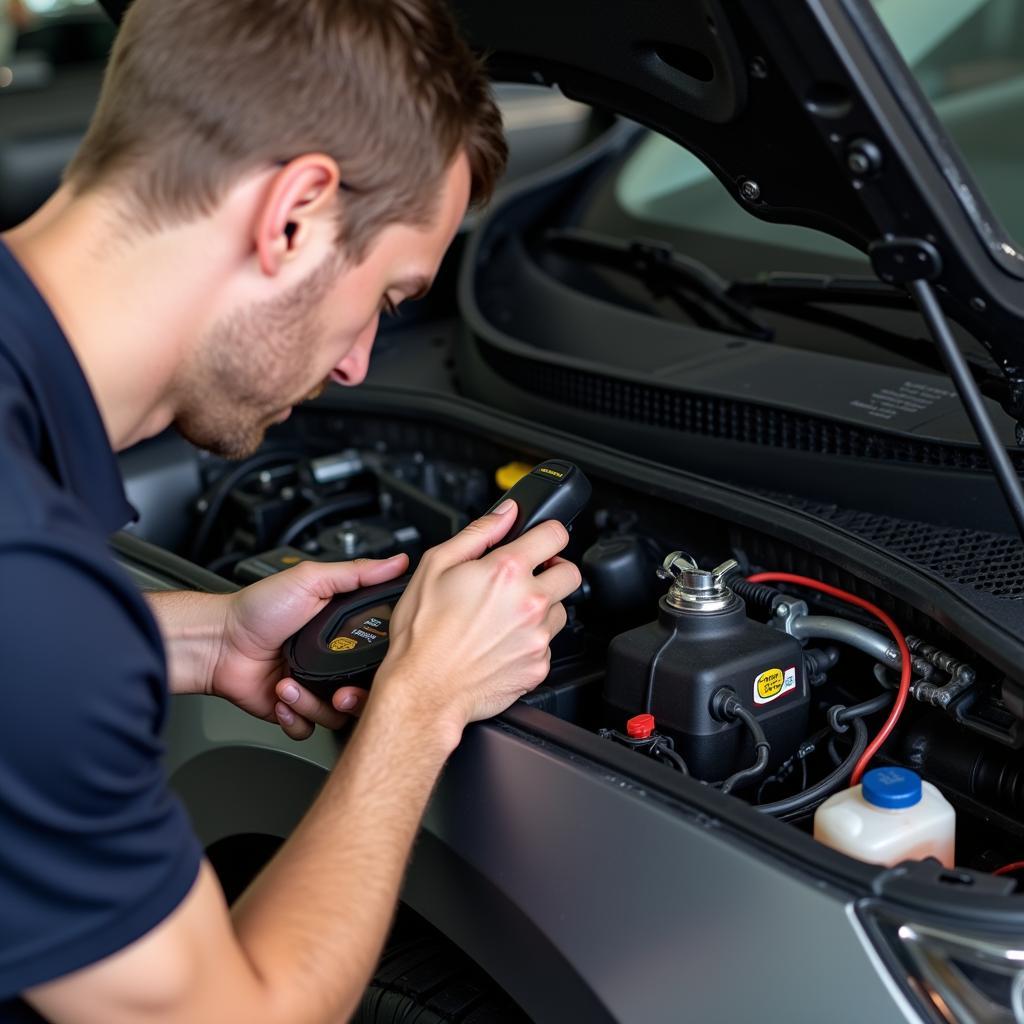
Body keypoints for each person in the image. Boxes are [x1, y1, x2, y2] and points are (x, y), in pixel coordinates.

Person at [0, 1, 581, 1021]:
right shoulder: (37, 588)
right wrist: (418, 705)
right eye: (388, 296)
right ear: (296, 214)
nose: (358, 362)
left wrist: (203, 636)